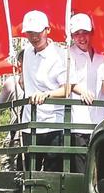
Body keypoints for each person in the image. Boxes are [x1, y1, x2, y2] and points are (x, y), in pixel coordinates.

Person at [20, 10, 69, 171]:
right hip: (30, 123)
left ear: (47, 30)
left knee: (52, 176)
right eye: (30, 32)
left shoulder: (60, 55)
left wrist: (47, 94)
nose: (34, 37)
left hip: (53, 124)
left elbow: (66, 89)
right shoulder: (27, 52)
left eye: (38, 32)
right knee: (26, 173)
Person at [65, 13, 104, 173]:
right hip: (78, 121)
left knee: (99, 165)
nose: (81, 38)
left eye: (85, 33)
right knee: (81, 169)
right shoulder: (68, 54)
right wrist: (82, 91)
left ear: (92, 32)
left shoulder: (101, 57)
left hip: (98, 120)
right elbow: (67, 81)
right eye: (77, 34)